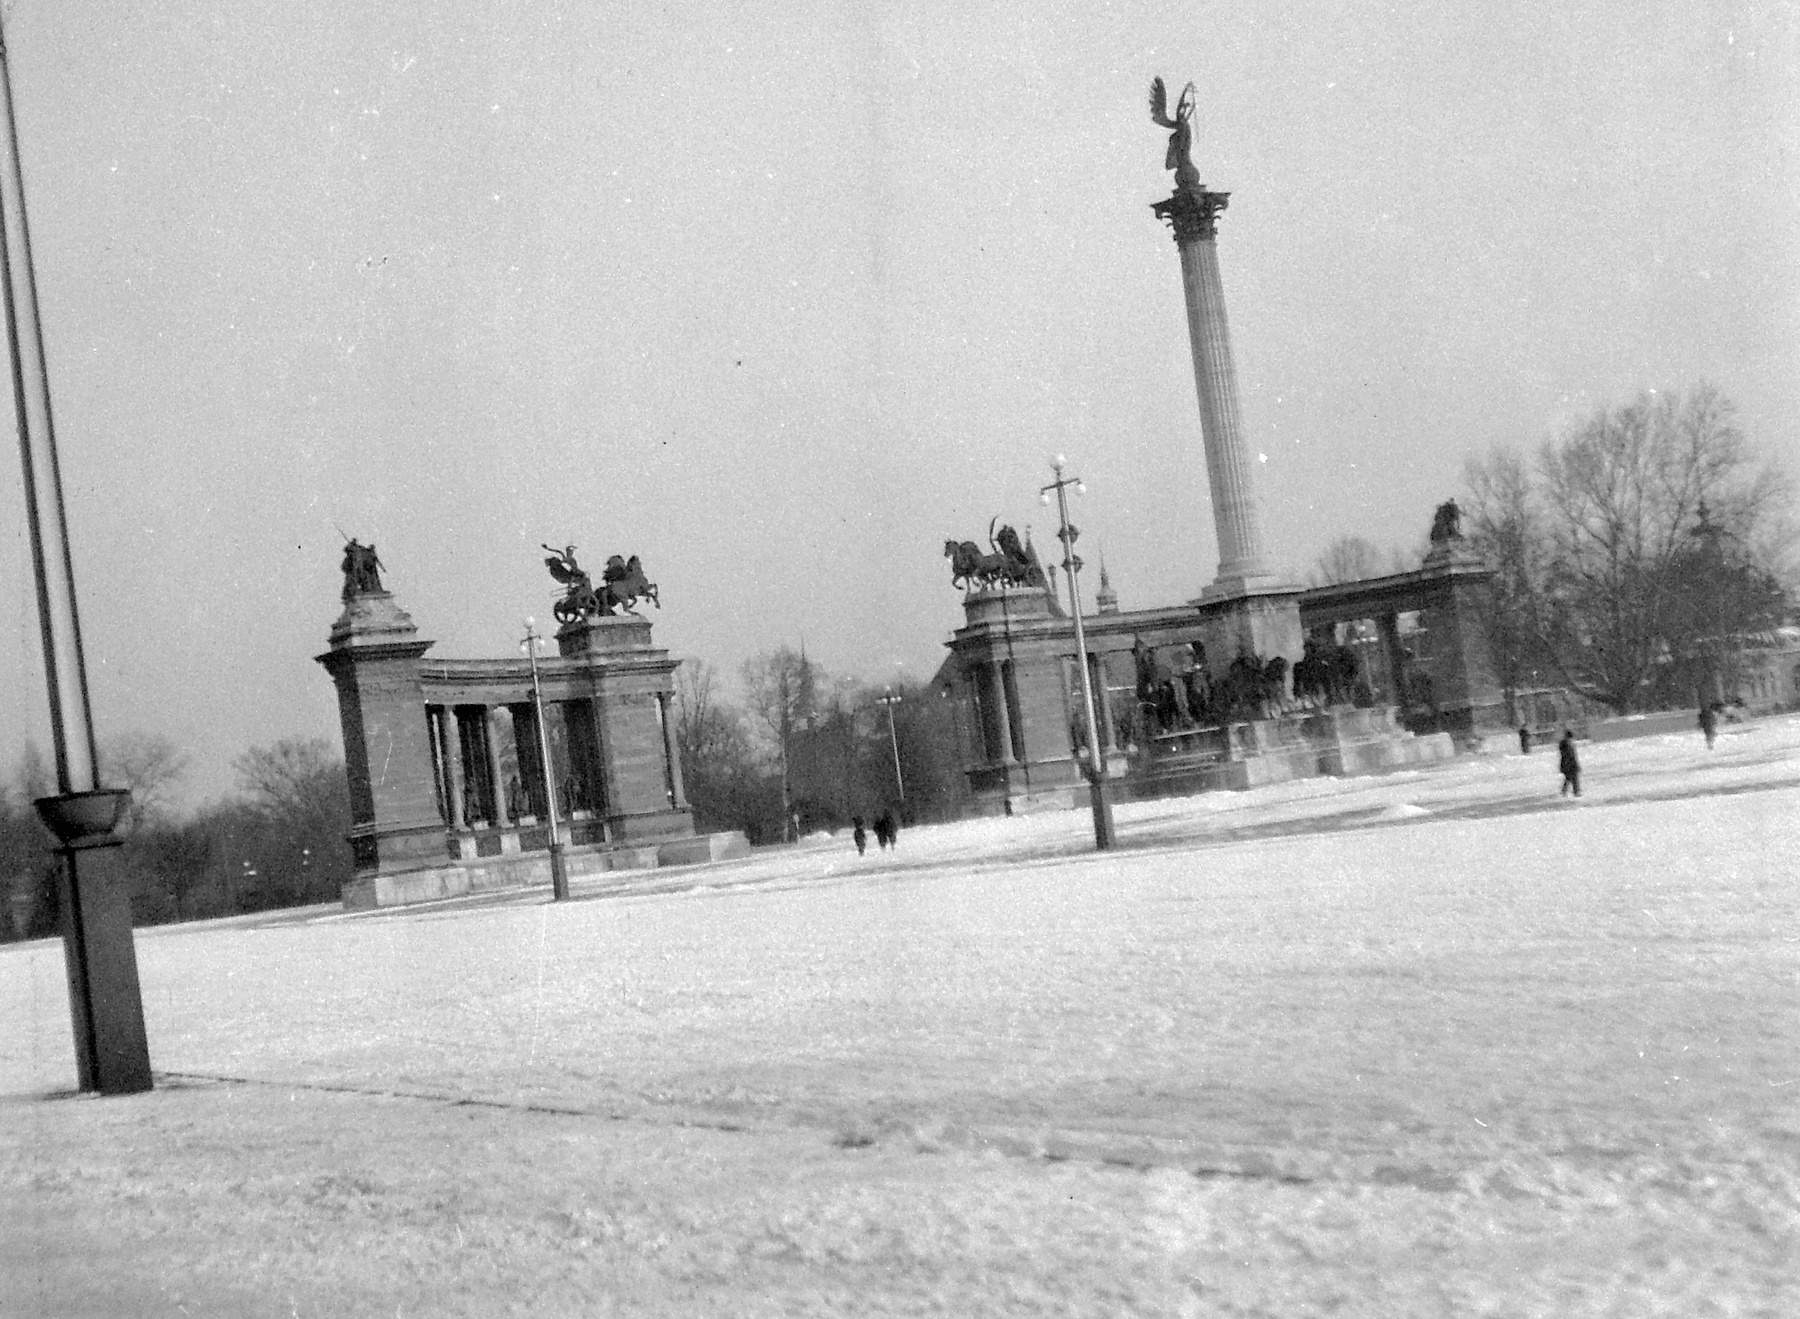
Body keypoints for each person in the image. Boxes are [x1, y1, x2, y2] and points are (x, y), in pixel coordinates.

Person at [1558, 729, 1581, 797]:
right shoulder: (1567, 744)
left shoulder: (1566, 744)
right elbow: (1570, 755)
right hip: (1569, 764)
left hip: (1568, 764)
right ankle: (1575, 792)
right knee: (1573, 778)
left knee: (1569, 778)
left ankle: (1565, 791)